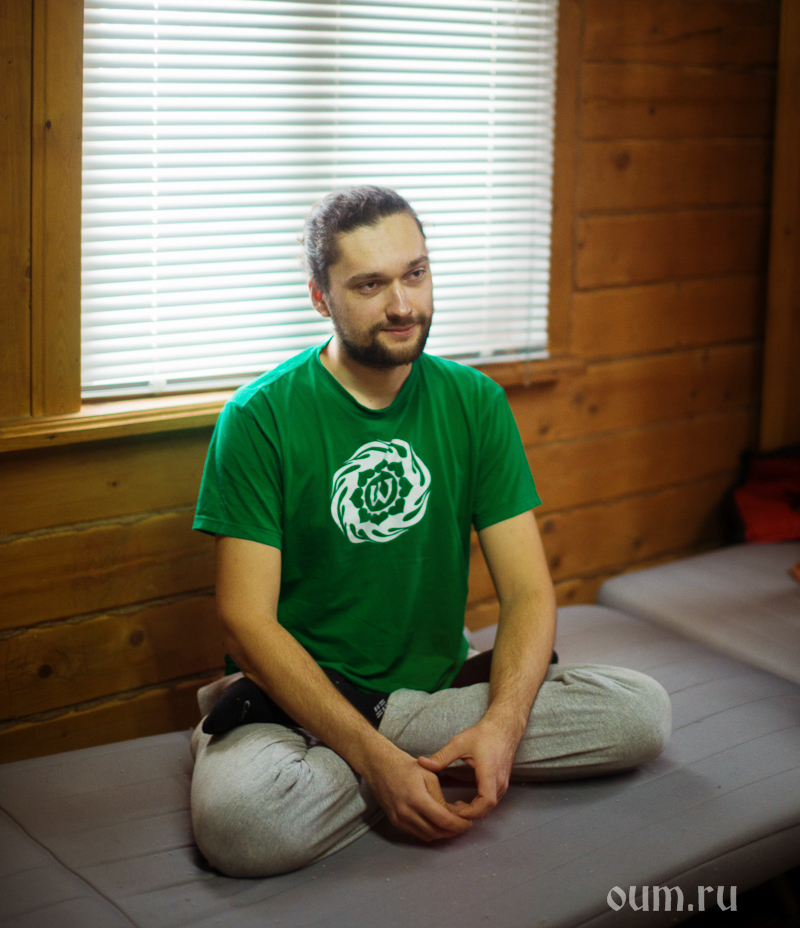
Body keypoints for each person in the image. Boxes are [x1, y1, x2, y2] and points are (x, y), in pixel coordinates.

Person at [189, 186, 671, 878]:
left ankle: (416, 751)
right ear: (320, 298)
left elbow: (528, 593)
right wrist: (374, 759)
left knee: (640, 714)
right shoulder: (258, 417)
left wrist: (501, 726)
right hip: (297, 702)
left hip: (437, 693)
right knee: (244, 825)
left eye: (415, 274)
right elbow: (246, 623)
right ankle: (410, 760)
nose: (402, 305)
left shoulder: (475, 403)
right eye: (369, 285)